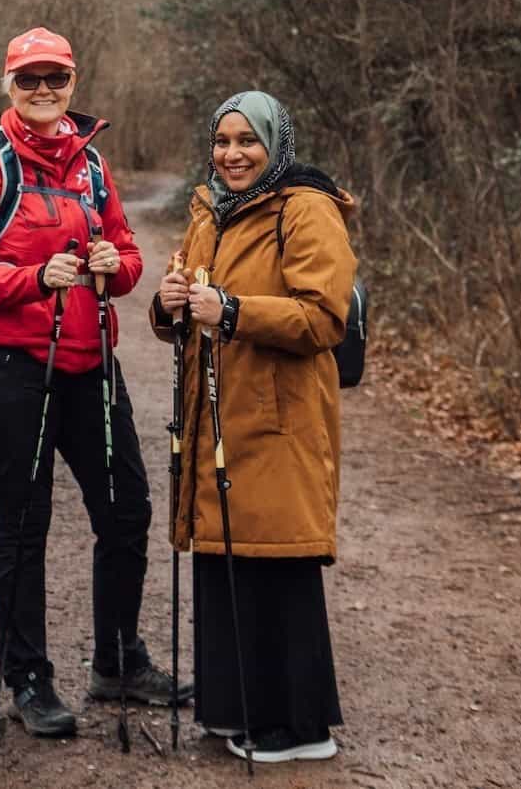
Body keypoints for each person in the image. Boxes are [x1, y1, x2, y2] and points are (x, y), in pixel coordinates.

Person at [0, 26, 192, 740]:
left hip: (88, 363)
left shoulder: (93, 166)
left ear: (74, 84)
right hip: (9, 368)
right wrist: (30, 279)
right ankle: (28, 676)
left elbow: (130, 259)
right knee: (26, 524)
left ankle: (116, 661)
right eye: (30, 80)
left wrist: (116, 262)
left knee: (127, 509)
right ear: (8, 86)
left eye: (56, 78)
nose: (43, 90)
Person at [150, 90, 356, 763]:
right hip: (215, 416)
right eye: (222, 141)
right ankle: (231, 706)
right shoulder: (212, 209)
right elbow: (188, 296)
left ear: (276, 144)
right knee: (225, 557)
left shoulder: (306, 209)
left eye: (247, 142)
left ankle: (298, 726)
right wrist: (169, 302)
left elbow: (324, 318)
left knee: (278, 559)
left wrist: (233, 310)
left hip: (279, 419)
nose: (232, 154)